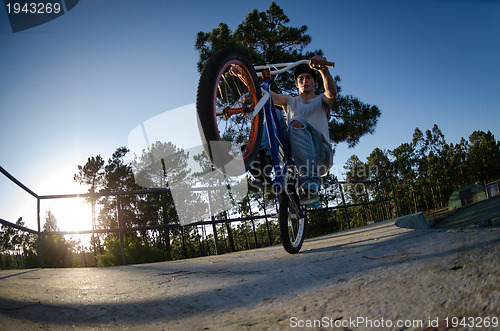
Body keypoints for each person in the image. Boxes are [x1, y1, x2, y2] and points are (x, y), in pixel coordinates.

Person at [271, 55, 337, 205]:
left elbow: (331, 93)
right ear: (296, 84)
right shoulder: (289, 101)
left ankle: (310, 186)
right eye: (301, 79)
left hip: (319, 155)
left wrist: (323, 71)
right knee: (270, 111)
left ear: (314, 82)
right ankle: (263, 156)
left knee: (296, 122)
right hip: (294, 156)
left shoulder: (321, 100)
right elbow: (265, 96)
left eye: (308, 78)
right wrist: (245, 76)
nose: (305, 81)